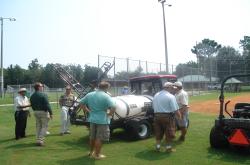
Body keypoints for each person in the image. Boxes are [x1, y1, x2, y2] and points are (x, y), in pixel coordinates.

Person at [79, 81, 116, 160]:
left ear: (99, 87)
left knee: (92, 137)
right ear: (106, 88)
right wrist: (109, 115)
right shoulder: (106, 96)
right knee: (100, 138)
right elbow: (113, 107)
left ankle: (91, 152)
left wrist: (88, 111)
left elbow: (81, 103)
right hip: (102, 120)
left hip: (92, 119)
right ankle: (97, 155)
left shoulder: (90, 94)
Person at [153, 82, 181, 152]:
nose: (172, 89)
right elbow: (175, 109)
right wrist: (179, 117)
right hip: (167, 117)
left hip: (157, 116)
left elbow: (153, 106)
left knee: (158, 132)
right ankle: (168, 148)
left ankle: (157, 147)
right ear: (168, 88)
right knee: (169, 133)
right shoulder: (171, 96)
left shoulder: (156, 95)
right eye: (172, 88)